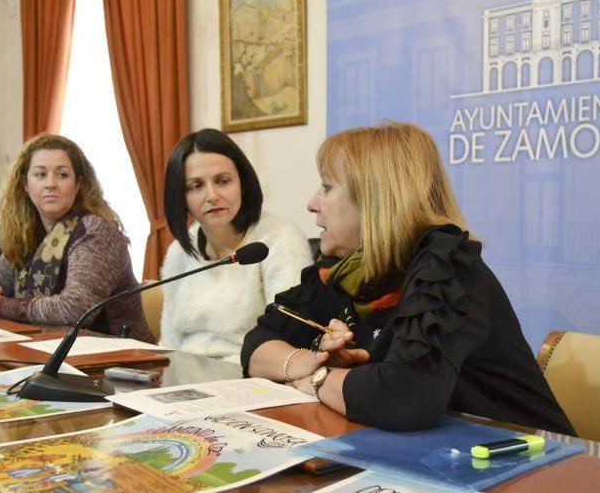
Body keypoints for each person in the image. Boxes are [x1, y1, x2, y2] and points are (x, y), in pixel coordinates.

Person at [241, 122, 575, 434]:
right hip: (436, 455)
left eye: (327, 187)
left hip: (524, 458)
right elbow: (258, 343)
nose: (312, 203)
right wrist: (303, 361)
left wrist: (318, 378)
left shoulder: (446, 268)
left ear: (375, 199)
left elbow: (403, 397)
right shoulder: (344, 268)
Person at [0, 133, 154, 343]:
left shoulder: (95, 232)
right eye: (40, 175)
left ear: (78, 185)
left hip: (123, 364)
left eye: (62, 175)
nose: (50, 184)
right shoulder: (28, 233)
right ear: (25, 184)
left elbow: (74, 309)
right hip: (50, 354)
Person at [160, 128, 312, 363]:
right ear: (180, 197)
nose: (211, 195)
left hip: (250, 377)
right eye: (195, 186)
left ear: (243, 183)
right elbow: (169, 344)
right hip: (182, 375)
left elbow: (290, 339)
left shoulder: (280, 240)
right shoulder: (180, 251)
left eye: (223, 181)